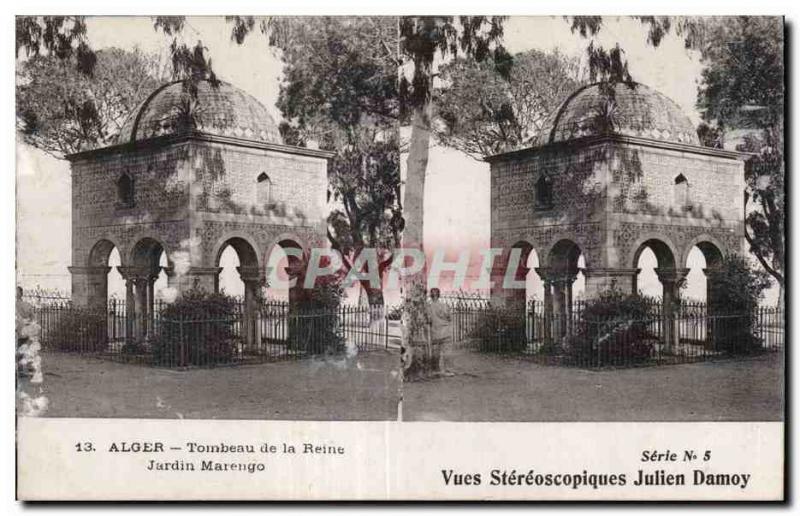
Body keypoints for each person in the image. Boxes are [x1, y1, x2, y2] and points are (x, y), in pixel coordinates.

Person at [427, 288, 454, 377]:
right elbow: (450, 317)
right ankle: (448, 370)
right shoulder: (444, 305)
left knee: (436, 353)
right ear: (439, 295)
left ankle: (436, 370)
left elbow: (428, 320)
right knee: (447, 352)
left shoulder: (429, 307)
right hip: (446, 332)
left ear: (431, 296)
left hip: (435, 332)